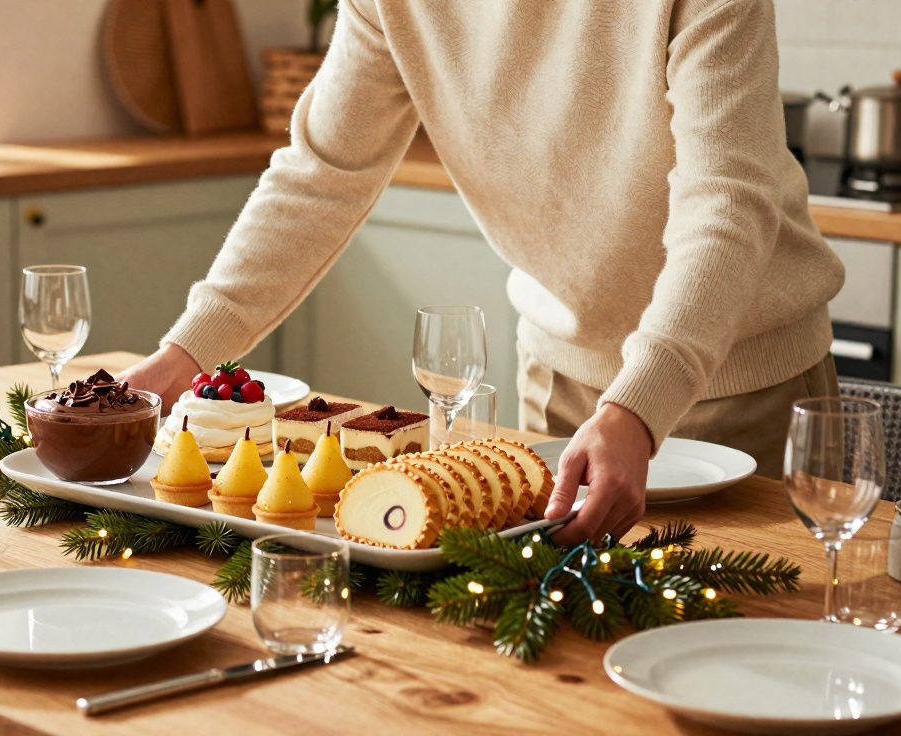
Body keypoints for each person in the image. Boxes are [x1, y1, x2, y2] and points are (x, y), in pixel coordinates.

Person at [121, 0, 843, 545]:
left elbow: (726, 202)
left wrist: (639, 406)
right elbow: (321, 175)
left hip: (742, 392)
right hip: (557, 383)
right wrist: (186, 355)